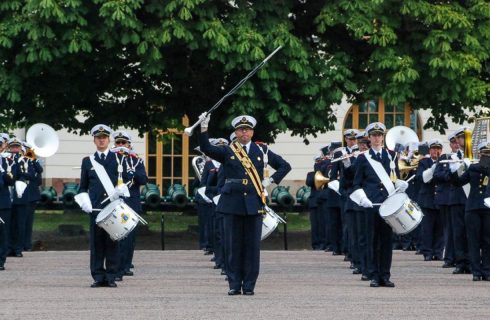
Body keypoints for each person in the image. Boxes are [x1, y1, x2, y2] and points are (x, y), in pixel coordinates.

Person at [198, 113, 291, 295]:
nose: (244, 133)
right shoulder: (228, 150)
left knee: (251, 247)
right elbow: (206, 147)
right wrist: (203, 128)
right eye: (241, 130)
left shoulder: (261, 151)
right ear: (236, 132)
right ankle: (234, 284)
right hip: (232, 202)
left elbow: (284, 166)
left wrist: (270, 180)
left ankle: (249, 285)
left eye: (247, 130)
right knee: (233, 245)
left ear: (252, 132)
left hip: (253, 203)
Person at [351, 122, 408, 288]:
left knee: (386, 241)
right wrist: (363, 199)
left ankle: (385, 275)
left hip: (388, 205)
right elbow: (356, 184)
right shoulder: (363, 158)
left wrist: (401, 184)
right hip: (372, 205)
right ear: (369, 138)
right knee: (372, 241)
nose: (377, 138)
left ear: (383, 137)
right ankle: (374, 275)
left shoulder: (391, 156)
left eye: (379, 135)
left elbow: (394, 177)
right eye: (374, 135)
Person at [78, 124, 126, 288]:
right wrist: (84, 200)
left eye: (104, 137)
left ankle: (111, 276)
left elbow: (127, 181)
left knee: (113, 242)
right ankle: (98, 276)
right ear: (94, 140)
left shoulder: (119, 158)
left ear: (108, 139)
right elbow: (83, 186)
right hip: (96, 209)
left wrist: (123, 189)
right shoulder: (87, 161)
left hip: (113, 208)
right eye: (98, 138)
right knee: (97, 245)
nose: (101, 140)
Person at [112, 131, 148, 280]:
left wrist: (131, 173)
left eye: (123, 143)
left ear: (129, 145)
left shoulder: (136, 161)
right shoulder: (110, 160)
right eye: (118, 143)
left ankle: (126, 265)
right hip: (115, 202)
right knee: (116, 235)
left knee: (129, 238)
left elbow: (143, 179)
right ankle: (116, 267)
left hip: (131, 202)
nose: (121, 146)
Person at [454, 141, 490, 281]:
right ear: (479, 154)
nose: (486, 156)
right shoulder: (472, 168)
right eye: (484, 153)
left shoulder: (479, 168)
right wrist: (458, 169)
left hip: (487, 208)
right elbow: (458, 182)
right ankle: (476, 271)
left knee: (488, 241)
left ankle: (487, 270)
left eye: (488, 153)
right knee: (473, 241)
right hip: (473, 207)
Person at [416, 139, 444, 261]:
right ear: (429, 150)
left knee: (440, 227)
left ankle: (438, 251)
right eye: (433, 149)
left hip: (440, 199)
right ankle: (427, 251)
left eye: (438, 149)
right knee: (427, 228)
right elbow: (420, 178)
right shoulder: (424, 162)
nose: (436, 151)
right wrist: (432, 169)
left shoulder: (445, 161)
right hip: (427, 199)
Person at [23, 142, 43, 252]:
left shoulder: (32, 162)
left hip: (32, 196)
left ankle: (27, 244)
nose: (27, 152)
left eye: (28, 150)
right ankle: (20, 244)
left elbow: (39, 172)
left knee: (29, 222)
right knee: (21, 222)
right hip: (22, 195)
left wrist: (33, 158)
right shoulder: (20, 162)